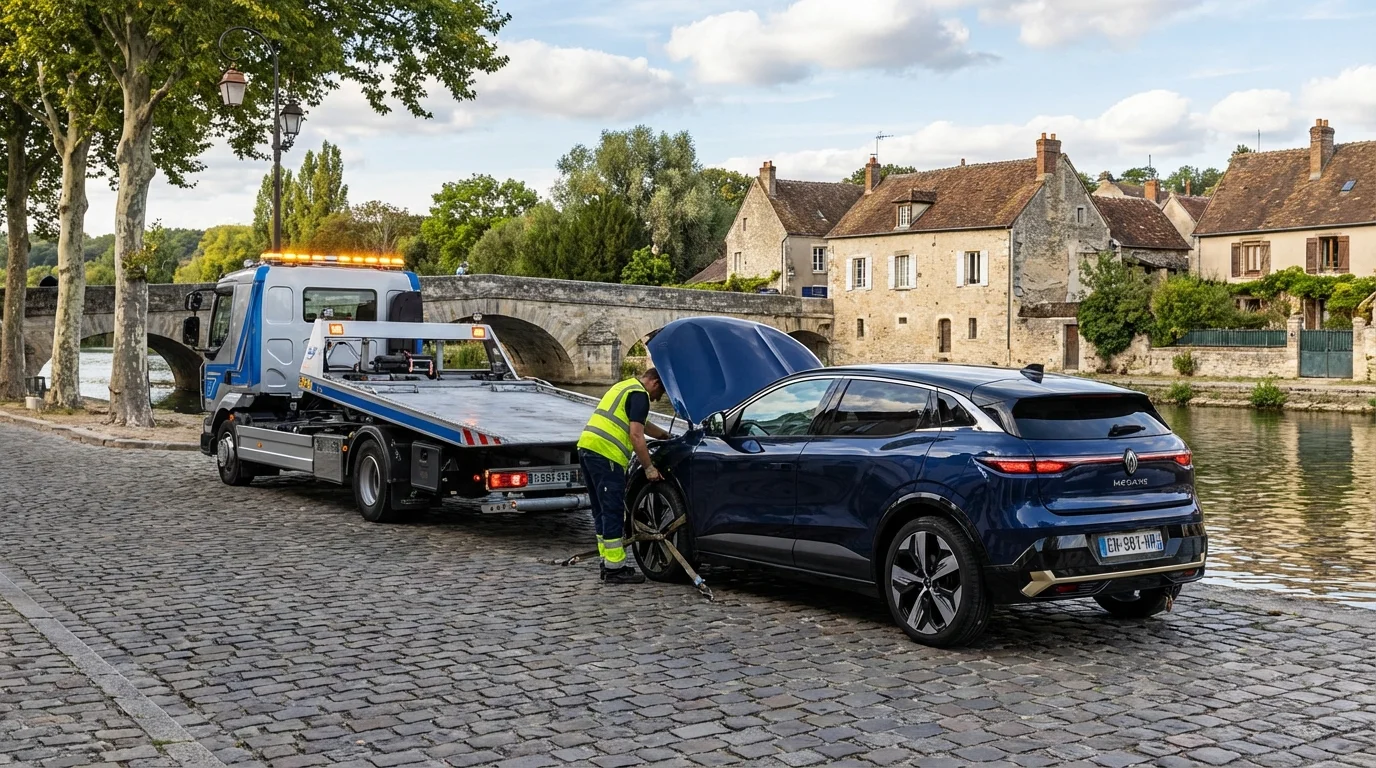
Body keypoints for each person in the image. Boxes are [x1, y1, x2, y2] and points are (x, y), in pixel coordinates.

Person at [576, 368, 670, 584]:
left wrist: (665, 436)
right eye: (660, 393)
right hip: (606, 454)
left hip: (588, 448)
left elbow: (642, 425)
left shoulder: (624, 386)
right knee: (612, 510)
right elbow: (636, 435)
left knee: (600, 509)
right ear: (655, 383)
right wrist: (649, 468)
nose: (657, 399)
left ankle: (607, 562)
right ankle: (615, 570)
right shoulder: (640, 395)